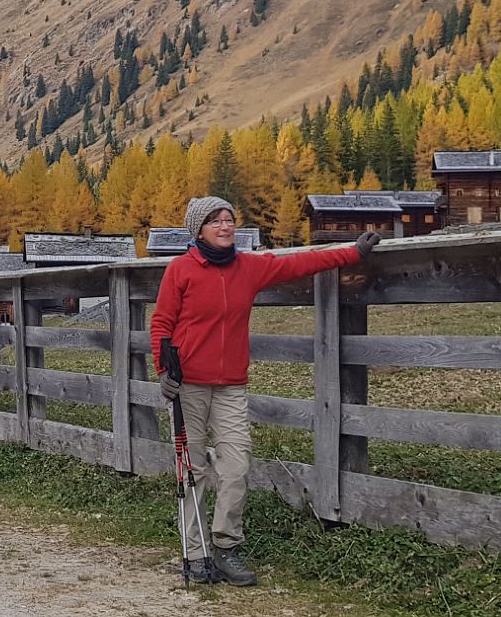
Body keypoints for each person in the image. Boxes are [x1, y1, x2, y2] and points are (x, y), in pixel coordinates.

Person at [149, 195, 379, 586]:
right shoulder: (180, 270)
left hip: (230, 385)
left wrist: (352, 253)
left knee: (236, 465)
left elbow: (298, 263)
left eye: (230, 220)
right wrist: (163, 370)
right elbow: (161, 324)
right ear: (198, 229)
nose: (226, 227)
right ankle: (195, 552)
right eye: (216, 221)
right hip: (187, 383)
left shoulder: (248, 268)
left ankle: (225, 547)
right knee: (193, 470)